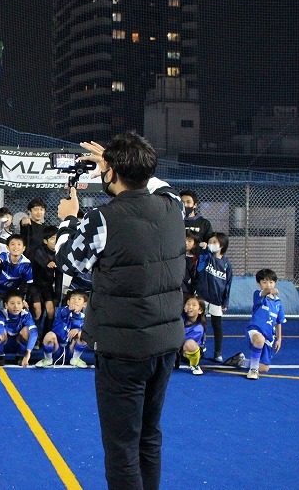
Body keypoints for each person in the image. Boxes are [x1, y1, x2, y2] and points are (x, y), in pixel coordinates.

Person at [55, 133, 185, 490]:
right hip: (165, 343)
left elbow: (68, 260)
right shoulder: (173, 206)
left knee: (122, 446)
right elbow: (156, 183)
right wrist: (115, 161)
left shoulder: (102, 218)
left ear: (111, 172)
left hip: (124, 349)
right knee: (148, 435)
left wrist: (68, 219)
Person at [194, 232, 232, 363]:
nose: (211, 244)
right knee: (200, 323)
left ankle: (218, 352)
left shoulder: (226, 263)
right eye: (210, 242)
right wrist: (203, 249)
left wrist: (225, 301)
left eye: (214, 242)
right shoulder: (206, 257)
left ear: (222, 245)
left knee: (217, 325)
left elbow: (228, 283)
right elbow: (200, 267)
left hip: (216, 299)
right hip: (202, 296)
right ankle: (199, 347)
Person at [245, 268, 286, 380]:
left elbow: (279, 322)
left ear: (275, 283)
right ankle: (253, 370)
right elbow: (266, 291)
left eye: (271, 282)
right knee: (260, 339)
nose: (268, 285)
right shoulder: (258, 295)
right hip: (255, 331)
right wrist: (270, 290)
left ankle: (241, 361)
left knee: (264, 368)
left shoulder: (278, 303)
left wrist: (279, 339)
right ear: (259, 284)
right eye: (264, 282)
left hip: (269, 336)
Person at [35, 290, 88, 368]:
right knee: (50, 335)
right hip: (57, 347)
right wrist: (70, 310)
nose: (76, 301)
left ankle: (75, 359)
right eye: (73, 298)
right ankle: (48, 359)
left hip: (71, 349)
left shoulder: (85, 318)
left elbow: (86, 331)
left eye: (79, 299)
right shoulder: (62, 311)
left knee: (82, 334)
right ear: (68, 302)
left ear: (84, 304)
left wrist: (78, 330)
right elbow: (64, 313)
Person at [0, 289, 37, 367]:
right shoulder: (1, 313)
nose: (16, 306)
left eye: (19, 303)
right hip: (4, 343)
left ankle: (20, 356)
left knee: (27, 330)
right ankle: (0, 356)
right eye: (12, 303)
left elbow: (34, 332)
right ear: (6, 305)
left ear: (22, 304)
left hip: (18, 344)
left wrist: (28, 353)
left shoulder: (26, 314)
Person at [181, 295, 206, 375]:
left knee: (190, 344)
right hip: (178, 348)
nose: (190, 307)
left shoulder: (198, 328)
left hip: (188, 351)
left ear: (200, 310)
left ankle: (194, 364)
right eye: (188, 304)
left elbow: (183, 342)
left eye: (194, 305)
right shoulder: (180, 317)